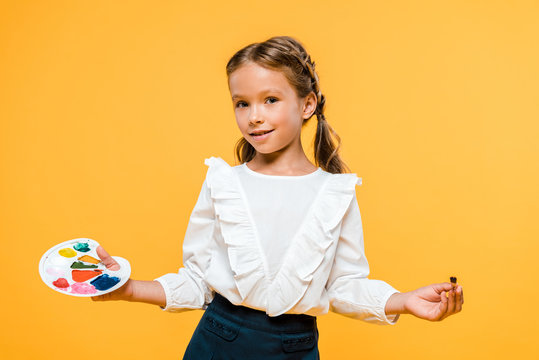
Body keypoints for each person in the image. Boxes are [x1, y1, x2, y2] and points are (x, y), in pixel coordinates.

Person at [92, 35, 464, 359]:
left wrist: (405, 301)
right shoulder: (223, 183)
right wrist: (127, 289)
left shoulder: (334, 193)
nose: (254, 116)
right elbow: (197, 282)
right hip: (218, 343)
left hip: (296, 348)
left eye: (270, 99)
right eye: (242, 103)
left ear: (307, 105)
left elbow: (343, 286)